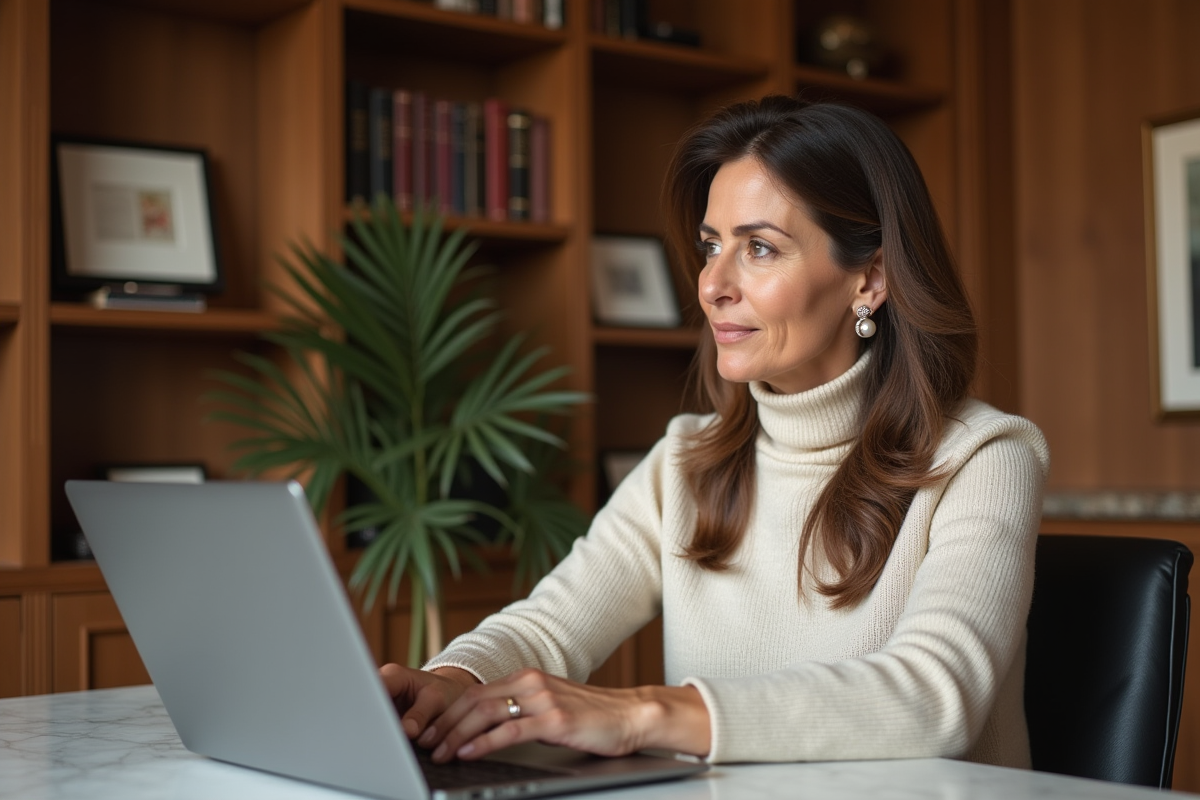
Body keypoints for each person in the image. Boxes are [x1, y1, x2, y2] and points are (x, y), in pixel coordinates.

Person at [379, 95, 1050, 769]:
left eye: (758, 248)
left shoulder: (985, 456)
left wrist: (644, 713)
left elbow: (935, 698)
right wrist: (450, 683)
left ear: (870, 277)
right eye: (710, 246)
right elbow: (550, 627)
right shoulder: (686, 461)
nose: (711, 285)